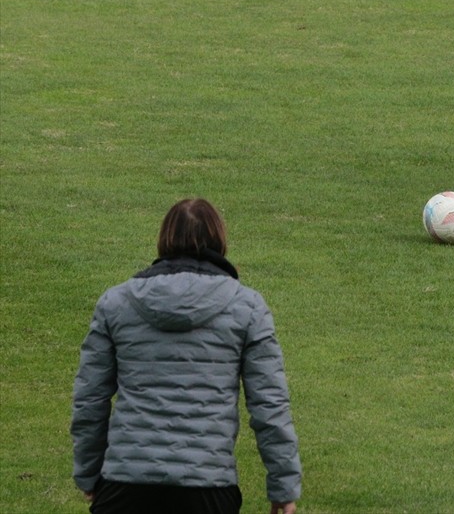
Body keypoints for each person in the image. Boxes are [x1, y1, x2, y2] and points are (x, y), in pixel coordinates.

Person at [72, 198, 301, 514]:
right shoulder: (247, 307)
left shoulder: (116, 303)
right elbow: (269, 405)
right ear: (219, 239)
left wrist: (88, 474)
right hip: (208, 487)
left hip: (126, 484)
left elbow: (90, 400)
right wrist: (283, 490)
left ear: (164, 239)